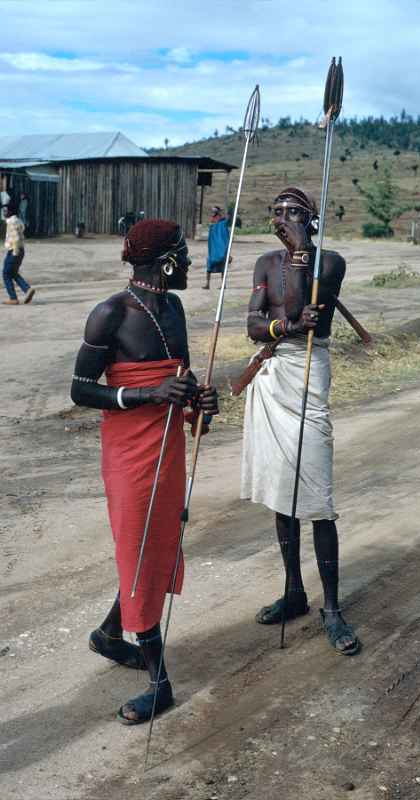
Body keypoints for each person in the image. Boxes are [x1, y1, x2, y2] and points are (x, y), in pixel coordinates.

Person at [71, 219, 219, 724]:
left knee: (155, 542)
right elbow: (80, 390)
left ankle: (110, 634)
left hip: (170, 444)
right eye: (186, 255)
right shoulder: (110, 313)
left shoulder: (174, 309)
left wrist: (199, 395)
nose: (193, 263)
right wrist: (146, 395)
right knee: (137, 544)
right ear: (169, 262)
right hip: (130, 450)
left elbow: (180, 375)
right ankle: (160, 683)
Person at [241, 186, 360, 656]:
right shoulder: (264, 263)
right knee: (281, 490)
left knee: (316, 494)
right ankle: (295, 592)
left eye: (294, 212)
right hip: (273, 373)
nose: (283, 218)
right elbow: (258, 323)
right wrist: (285, 329)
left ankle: (332, 608)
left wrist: (300, 256)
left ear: (312, 218)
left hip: (309, 373)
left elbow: (295, 302)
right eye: (278, 211)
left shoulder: (329, 262)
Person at [2, 199, 35, 306]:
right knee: (13, 273)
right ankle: (27, 289)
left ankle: (13, 298)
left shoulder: (12, 222)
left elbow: (15, 238)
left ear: (11, 211)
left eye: (6, 210)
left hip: (14, 251)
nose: (4, 212)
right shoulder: (18, 221)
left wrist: (14, 252)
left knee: (6, 273)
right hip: (21, 250)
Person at [202, 206, 229, 290]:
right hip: (213, 249)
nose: (212, 213)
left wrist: (227, 251)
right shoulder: (213, 221)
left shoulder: (222, 223)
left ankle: (223, 284)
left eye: (214, 211)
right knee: (209, 265)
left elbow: (225, 236)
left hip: (220, 249)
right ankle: (207, 284)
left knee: (222, 267)